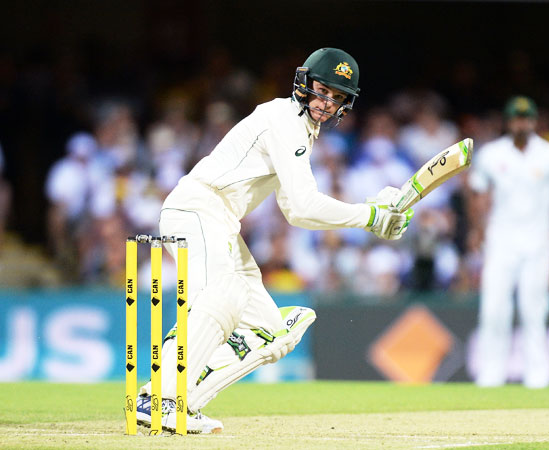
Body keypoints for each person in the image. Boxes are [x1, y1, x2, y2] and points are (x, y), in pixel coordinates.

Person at [136, 48, 413, 433]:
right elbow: (303, 205)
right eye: (322, 90)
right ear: (305, 84)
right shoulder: (284, 119)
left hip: (220, 220)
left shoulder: (302, 130)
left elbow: (295, 211)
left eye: (336, 97)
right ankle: (158, 399)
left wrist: (369, 210)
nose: (326, 102)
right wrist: (370, 216)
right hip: (197, 207)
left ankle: (184, 404)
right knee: (221, 294)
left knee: (270, 333)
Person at [468, 96, 549, 389]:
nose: (521, 124)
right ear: (508, 121)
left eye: (526, 118)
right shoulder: (491, 154)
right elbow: (478, 193)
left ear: (534, 121)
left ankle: (537, 377)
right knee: (493, 308)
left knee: (534, 308)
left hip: (538, 239)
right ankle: (491, 374)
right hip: (500, 238)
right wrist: (477, 230)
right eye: (516, 118)